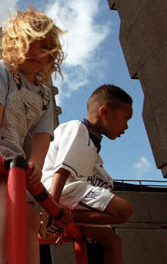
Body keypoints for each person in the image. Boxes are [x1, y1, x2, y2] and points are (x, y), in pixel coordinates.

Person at [0, 9, 65, 264]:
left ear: (51, 54)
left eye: (43, 46)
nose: (34, 51)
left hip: (14, 156)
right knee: (7, 197)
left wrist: (37, 165)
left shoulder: (45, 95)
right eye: (27, 43)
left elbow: (43, 135)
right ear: (13, 46)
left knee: (30, 216)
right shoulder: (4, 71)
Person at [40, 84, 134, 264]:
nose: (127, 126)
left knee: (112, 241)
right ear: (105, 112)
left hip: (71, 193)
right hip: (60, 189)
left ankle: (63, 219)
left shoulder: (94, 148)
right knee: (124, 210)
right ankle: (60, 218)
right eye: (125, 118)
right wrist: (52, 210)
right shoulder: (78, 129)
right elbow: (62, 170)